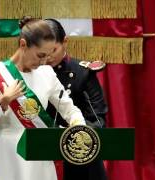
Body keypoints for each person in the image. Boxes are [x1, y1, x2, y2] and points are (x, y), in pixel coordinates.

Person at [0, 17, 86, 180]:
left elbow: (70, 110)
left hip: (39, 156)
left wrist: (78, 127)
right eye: (40, 55)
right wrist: (3, 103)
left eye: (47, 56)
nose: (43, 61)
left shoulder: (47, 73)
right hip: (6, 156)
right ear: (23, 44)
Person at [45, 18, 108, 180]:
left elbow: (98, 117)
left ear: (65, 42)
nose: (48, 56)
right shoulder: (33, 72)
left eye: (53, 50)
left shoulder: (83, 72)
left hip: (79, 155)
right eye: (43, 51)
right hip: (43, 154)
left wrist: (74, 136)